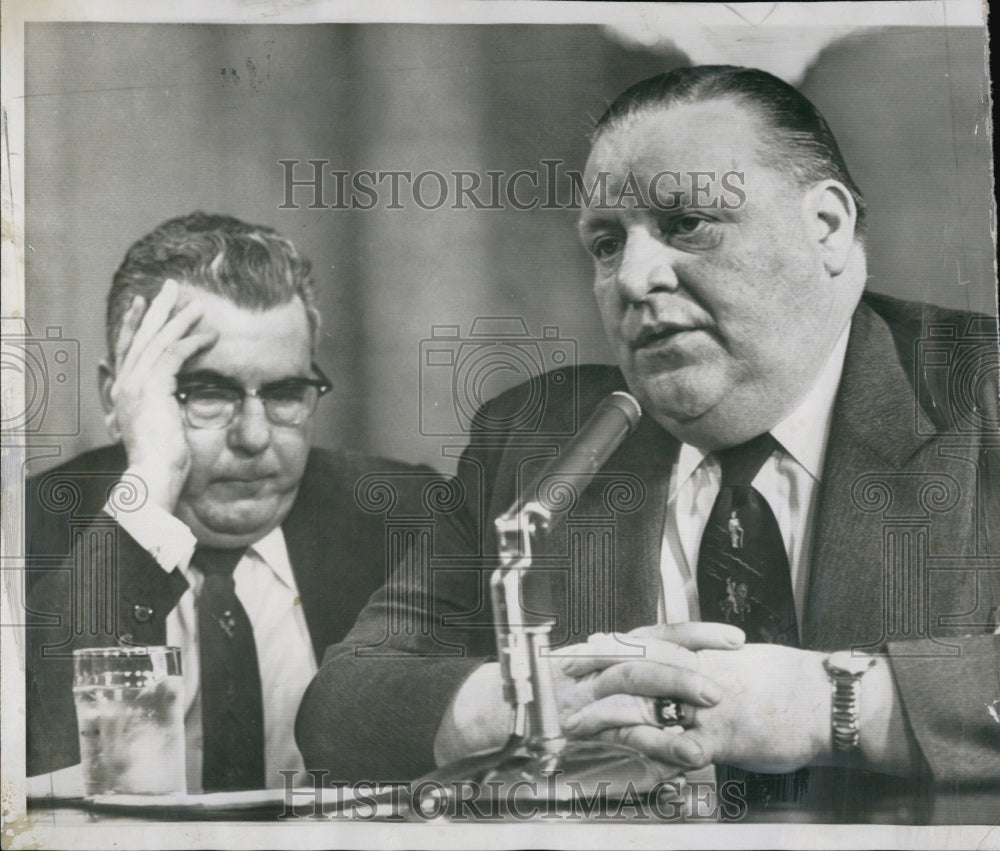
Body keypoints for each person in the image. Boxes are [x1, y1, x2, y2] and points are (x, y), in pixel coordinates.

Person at [296, 67, 1000, 820]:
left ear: (825, 227)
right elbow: (343, 701)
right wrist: (523, 703)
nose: (632, 278)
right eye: (606, 243)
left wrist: (836, 701)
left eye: (685, 223)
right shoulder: (533, 437)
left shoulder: (979, 390)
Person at [25, 212, 442, 793]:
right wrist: (148, 486)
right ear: (120, 398)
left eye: (284, 393)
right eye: (209, 394)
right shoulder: (26, 531)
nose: (253, 436)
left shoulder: (407, 518)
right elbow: (45, 782)